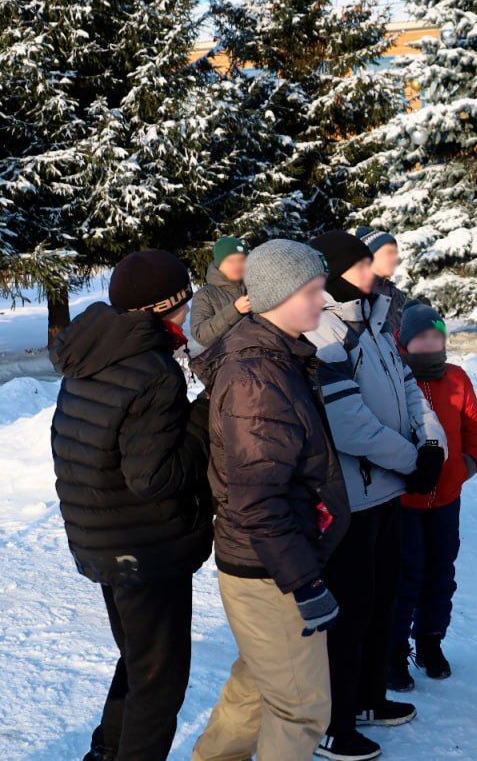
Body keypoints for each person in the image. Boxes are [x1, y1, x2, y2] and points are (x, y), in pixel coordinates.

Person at [191, 240, 352, 761]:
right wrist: (303, 583)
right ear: (278, 296)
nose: (322, 301)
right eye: (311, 291)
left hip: (266, 561)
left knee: (258, 686)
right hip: (270, 569)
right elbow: (259, 497)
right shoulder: (257, 377)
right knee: (301, 709)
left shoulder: (275, 356)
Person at [50, 249, 212, 761]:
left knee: (138, 660)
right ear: (170, 305)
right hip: (145, 546)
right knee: (159, 682)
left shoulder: (94, 350)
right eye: (184, 301)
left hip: (103, 536)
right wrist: (203, 417)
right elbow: (155, 476)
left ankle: (106, 752)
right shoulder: (153, 370)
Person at [306, 230, 447, 761]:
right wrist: (413, 461)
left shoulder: (374, 320)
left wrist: (431, 442)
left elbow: (408, 387)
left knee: (382, 600)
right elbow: (348, 425)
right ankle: (332, 722)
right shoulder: (324, 330)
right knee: (350, 611)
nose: (376, 270)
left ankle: (367, 699)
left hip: (387, 491)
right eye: (365, 263)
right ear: (342, 271)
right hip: (352, 500)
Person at [387, 302, 477, 692]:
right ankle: (393, 649)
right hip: (405, 500)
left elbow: (474, 425)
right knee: (405, 574)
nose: (430, 344)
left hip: (446, 498)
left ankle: (430, 641)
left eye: (436, 336)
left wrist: (468, 464)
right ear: (405, 342)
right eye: (422, 337)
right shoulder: (395, 378)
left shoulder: (457, 379)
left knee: (441, 571)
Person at [191, 236, 251, 347]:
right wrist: (234, 310)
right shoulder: (205, 295)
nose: (237, 265)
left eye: (241, 260)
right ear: (219, 264)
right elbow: (201, 335)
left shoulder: (254, 287)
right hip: (225, 360)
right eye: (230, 261)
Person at [354, 226, 406, 339]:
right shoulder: (361, 293)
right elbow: (374, 333)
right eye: (388, 253)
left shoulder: (394, 292)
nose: (395, 258)